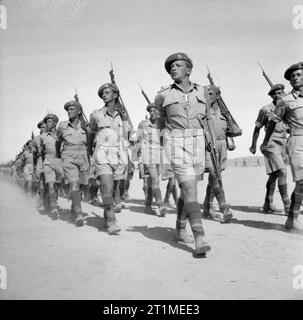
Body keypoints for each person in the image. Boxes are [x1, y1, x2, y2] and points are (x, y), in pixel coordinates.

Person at [154, 52, 211, 255]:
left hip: (198, 141)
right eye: (171, 67)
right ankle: (200, 237)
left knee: (190, 189)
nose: (173, 69)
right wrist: (163, 139)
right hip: (176, 141)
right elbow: (160, 119)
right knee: (188, 186)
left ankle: (179, 226)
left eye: (177, 65)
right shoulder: (163, 94)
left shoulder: (203, 92)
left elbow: (209, 119)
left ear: (189, 69)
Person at [261, 62, 303, 230]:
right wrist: (264, 142)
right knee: (301, 181)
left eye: (299, 74)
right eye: (293, 76)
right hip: (297, 141)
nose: (295, 78)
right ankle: (292, 217)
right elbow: (272, 123)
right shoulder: (284, 101)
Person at [89, 83, 131, 234]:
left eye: (108, 92)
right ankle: (112, 220)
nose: (104, 95)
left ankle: (107, 212)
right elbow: (91, 134)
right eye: (103, 93)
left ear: (115, 95)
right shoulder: (96, 114)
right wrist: (90, 153)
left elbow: (127, 134)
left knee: (114, 188)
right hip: (102, 153)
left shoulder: (124, 115)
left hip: (119, 154)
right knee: (107, 186)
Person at [249, 84, 290, 214]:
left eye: (280, 93)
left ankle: (268, 203)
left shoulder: (287, 108)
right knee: (282, 172)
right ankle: (288, 205)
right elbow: (257, 128)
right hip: (270, 142)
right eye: (275, 94)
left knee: (274, 174)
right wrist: (254, 145)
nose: (278, 95)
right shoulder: (265, 110)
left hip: (284, 143)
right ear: (271, 96)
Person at [56, 100, 90, 227]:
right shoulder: (62, 126)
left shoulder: (86, 127)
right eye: (68, 110)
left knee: (81, 185)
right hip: (68, 155)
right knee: (74, 184)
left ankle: (73, 208)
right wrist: (60, 156)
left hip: (83, 155)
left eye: (72, 109)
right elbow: (58, 142)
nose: (69, 112)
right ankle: (79, 214)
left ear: (79, 111)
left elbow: (91, 142)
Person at [202, 85, 233, 222]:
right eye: (206, 94)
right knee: (215, 175)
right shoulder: (203, 110)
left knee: (214, 178)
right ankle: (223, 207)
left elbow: (229, 129)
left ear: (218, 95)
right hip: (208, 146)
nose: (209, 96)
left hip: (222, 145)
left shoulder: (223, 111)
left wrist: (231, 140)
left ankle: (207, 208)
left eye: (211, 93)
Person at [137, 103, 167, 216]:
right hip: (147, 155)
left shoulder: (162, 124)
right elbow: (138, 140)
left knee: (151, 181)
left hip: (159, 155)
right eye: (150, 111)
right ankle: (161, 205)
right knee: (155, 179)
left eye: (155, 111)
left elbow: (164, 141)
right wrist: (137, 158)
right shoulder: (143, 124)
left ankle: (148, 205)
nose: (152, 113)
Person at [40, 113, 63, 218]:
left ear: (55, 123)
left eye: (49, 121)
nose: (47, 124)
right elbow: (42, 152)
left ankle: (52, 201)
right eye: (46, 122)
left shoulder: (61, 135)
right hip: (48, 162)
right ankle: (54, 208)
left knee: (56, 185)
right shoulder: (43, 137)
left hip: (59, 161)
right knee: (50, 184)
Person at [32, 120, 47, 210]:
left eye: (44, 126)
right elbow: (34, 154)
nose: (43, 128)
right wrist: (34, 165)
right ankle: (41, 201)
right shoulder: (36, 139)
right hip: (41, 160)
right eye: (41, 127)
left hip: (51, 159)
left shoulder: (53, 136)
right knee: (41, 181)